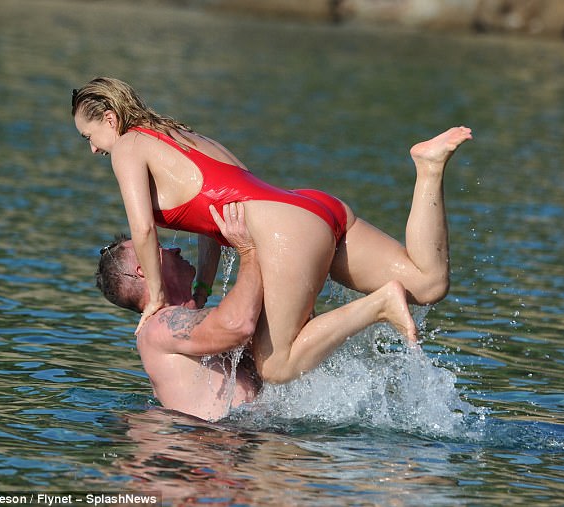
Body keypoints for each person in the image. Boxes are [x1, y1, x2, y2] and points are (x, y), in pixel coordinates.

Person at [73, 76, 472, 383]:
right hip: (312, 207)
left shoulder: (128, 147)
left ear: (110, 119)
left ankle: (380, 304)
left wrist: (158, 298)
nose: (92, 149)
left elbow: (143, 229)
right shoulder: (179, 133)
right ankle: (428, 168)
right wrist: (202, 289)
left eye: (89, 136)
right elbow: (214, 224)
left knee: (276, 366)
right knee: (429, 283)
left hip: (288, 234)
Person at [99, 202, 419, 420]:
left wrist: (208, 216)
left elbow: (216, 306)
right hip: (220, 451)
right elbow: (238, 324)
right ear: (143, 270)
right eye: (159, 248)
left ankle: (380, 303)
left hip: (250, 443)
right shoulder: (159, 327)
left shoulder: (186, 321)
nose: (174, 248)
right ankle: (379, 305)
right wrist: (248, 250)